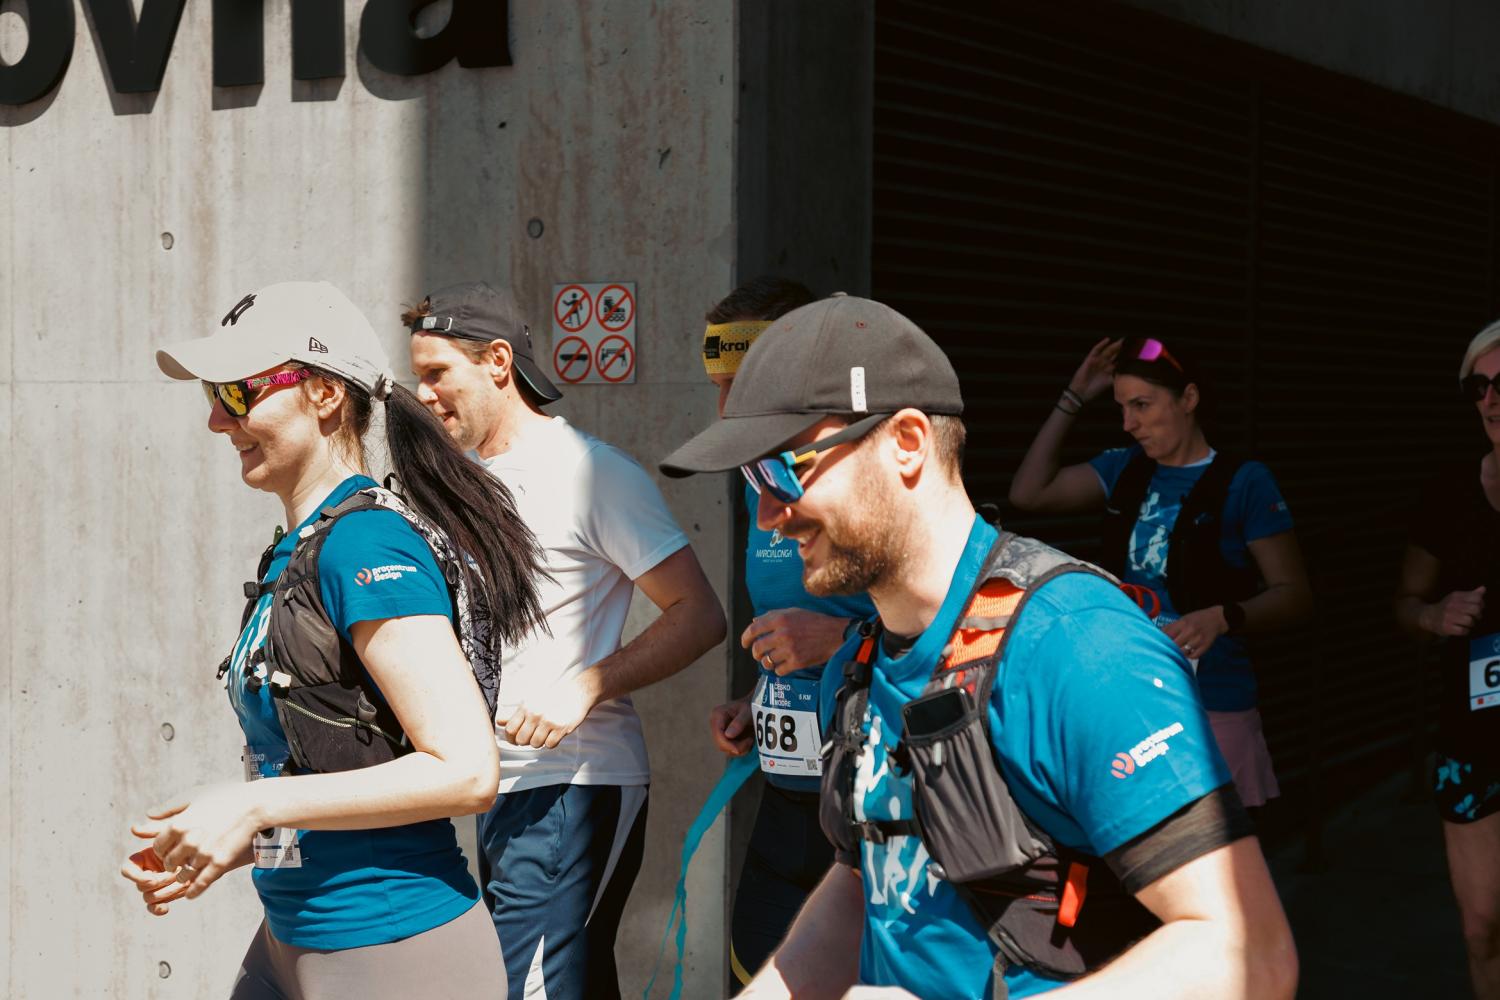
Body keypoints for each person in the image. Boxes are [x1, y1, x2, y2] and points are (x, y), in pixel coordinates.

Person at [660, 296, 1297, 999]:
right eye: (752, 479)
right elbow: (863, 883)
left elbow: (1248, 953)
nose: (768, 515)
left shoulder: (1077, 645)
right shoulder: (859, 666)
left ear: (907, 442)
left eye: (784, 470)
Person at [121, 281, 549, 998]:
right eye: (213, 396)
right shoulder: (301, 548)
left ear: (324, 394)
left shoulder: (365, 544)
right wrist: (237, 839)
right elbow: (318, 775)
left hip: (393, 948)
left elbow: (467, 772)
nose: (217, 421)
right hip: (294, 937)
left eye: (237, 393)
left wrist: (251, 806)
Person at [404, 281, 727, 1000]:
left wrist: (584, 686)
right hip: (497, 787)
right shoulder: (461, 480)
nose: (422, 394)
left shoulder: (590, 472)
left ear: (497, 361)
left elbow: (700, 615)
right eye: (417, 376)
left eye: (437, 373)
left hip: (574, 785)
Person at [1008, 337, 1312, 810]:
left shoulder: (1244, 482)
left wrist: (1223, 617)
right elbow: (1028, 494)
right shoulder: (1124, 468)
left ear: (1188, 399)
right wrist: (1074, 396)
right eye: (1122, 408)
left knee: (1222, 839)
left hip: (1213, 700)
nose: (1129, 424)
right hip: (1132, 692)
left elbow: (1294, 595)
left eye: (1142, 405)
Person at [700, 277, 877, 988]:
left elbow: (954, 630)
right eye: (716, 385)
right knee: (751, 975)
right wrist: (760, 697)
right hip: (784, 793)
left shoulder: (862, 480)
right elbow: (796, 627)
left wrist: (838, 642)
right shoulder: (760, 484)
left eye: (741, 385)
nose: (723, 408)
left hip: (867, 800)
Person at [1396, 319, 1500, 999]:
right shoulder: (1449, 493)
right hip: (1474, 740)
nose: (1491, 399)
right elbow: (1404, 603)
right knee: (1483, 928)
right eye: (1478, 387)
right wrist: (1433, 616)